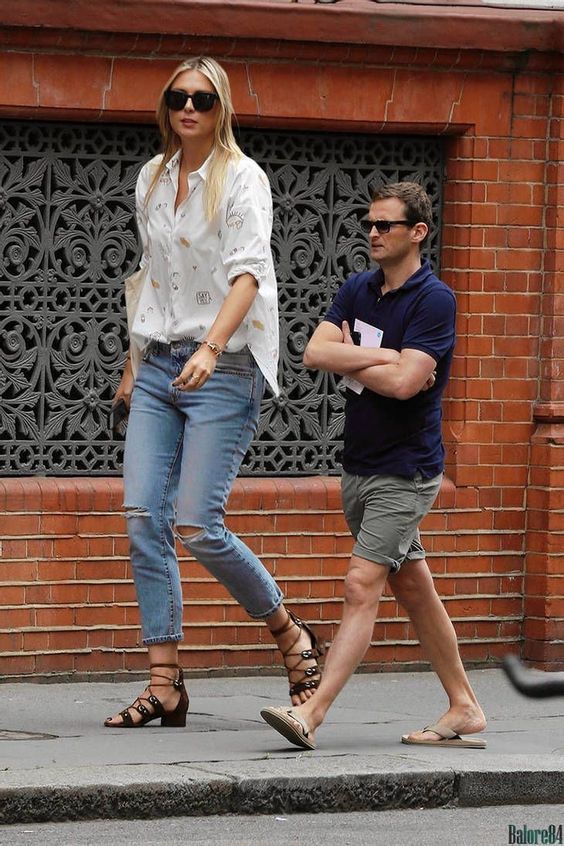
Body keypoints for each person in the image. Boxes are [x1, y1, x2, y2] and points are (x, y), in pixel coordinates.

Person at [104, 56, 323, 727]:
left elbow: (249, 274)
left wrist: (209, 347)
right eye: (177, 97)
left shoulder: (241, 179)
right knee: (144, 516)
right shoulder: (153, 178)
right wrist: (137, 357)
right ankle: (165, 683)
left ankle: (289, 630)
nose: (189, 108)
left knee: (198, 523)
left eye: (202, 98)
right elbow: (155, 274)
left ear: (220, 106)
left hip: (222, 369)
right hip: (160, 364)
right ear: (166, 106)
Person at [260, 182, 486, 750]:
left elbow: (410, 385)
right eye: (369, 224)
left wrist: (366, 363)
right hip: (358, 465)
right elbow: (313, 352)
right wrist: (386, 356)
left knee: (362, 582)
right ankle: (464, 705)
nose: (373, 234)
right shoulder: (357, 289)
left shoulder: (434, 300)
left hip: (407, 470)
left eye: (385, 225)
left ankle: (313, 712)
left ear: (417, 232)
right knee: (412, 586)